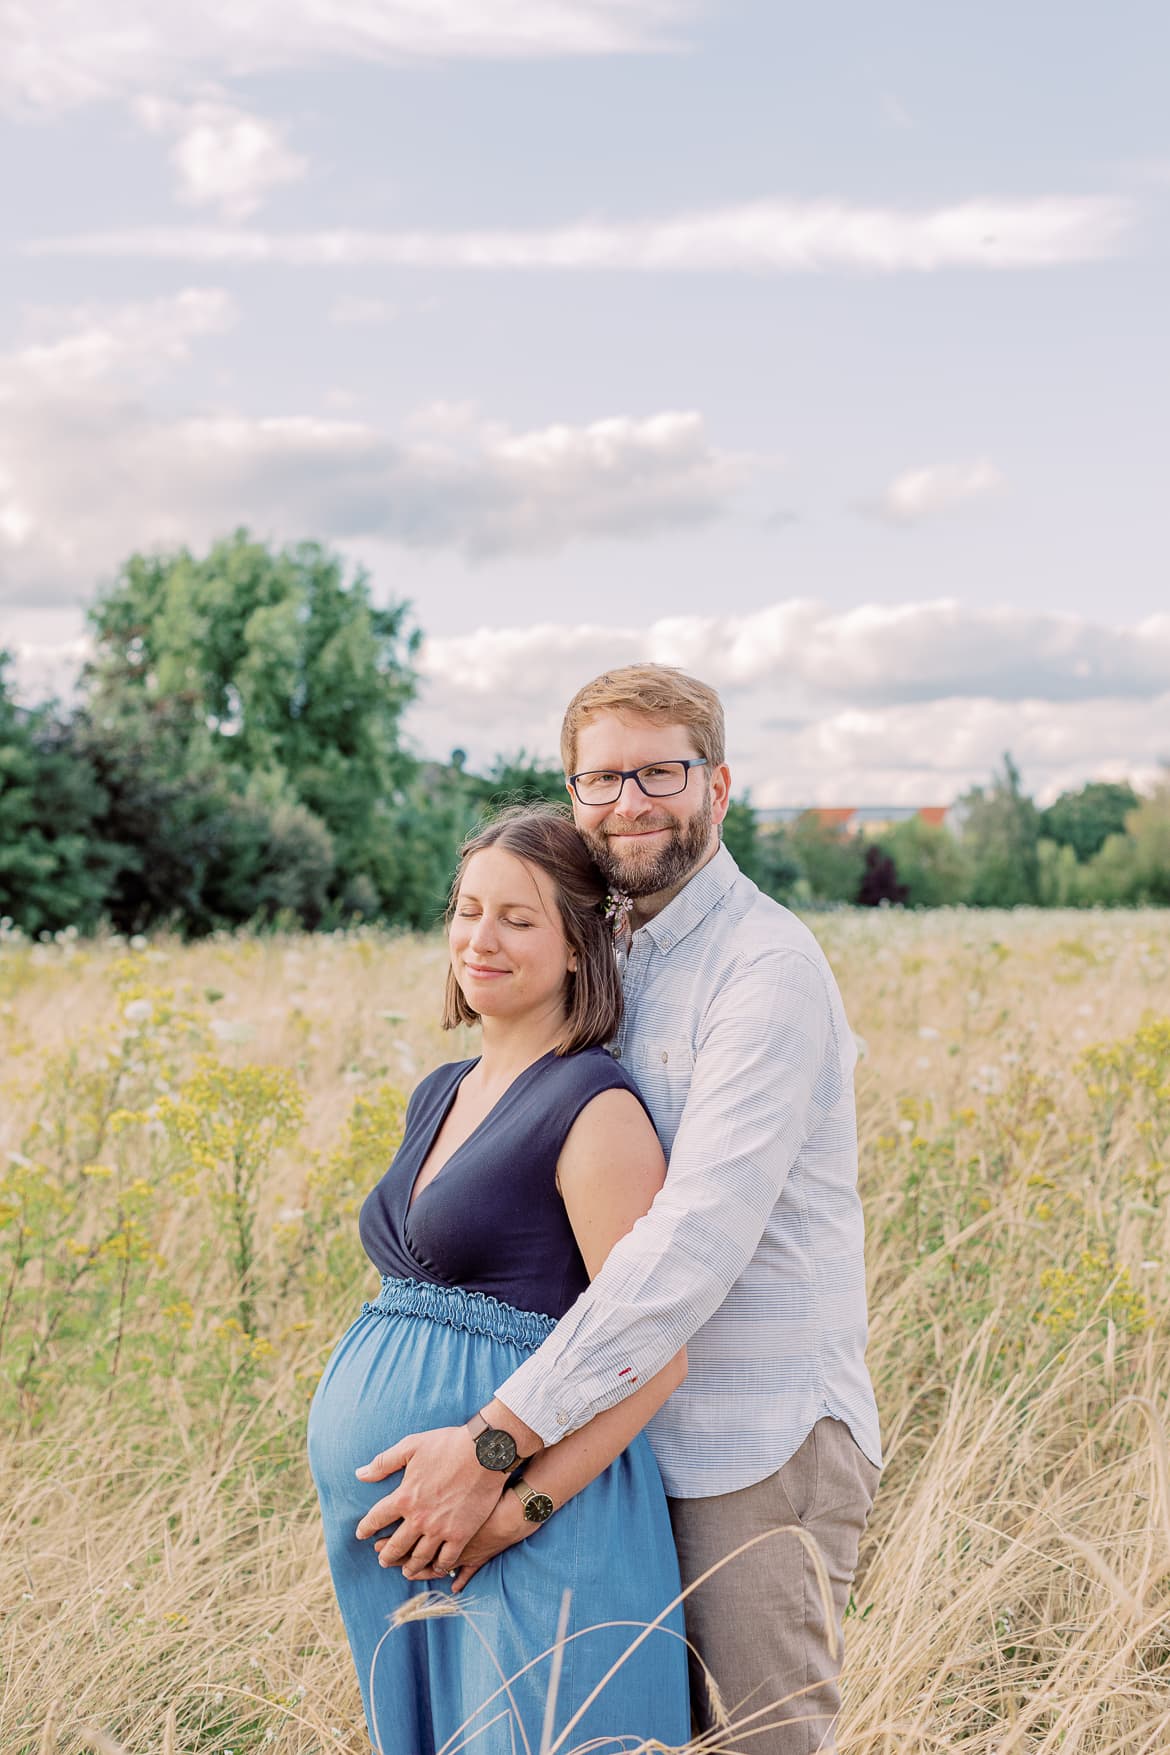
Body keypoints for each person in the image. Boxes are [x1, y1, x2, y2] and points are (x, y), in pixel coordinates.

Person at [364, 664, 882, 1755]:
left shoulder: (765, 971)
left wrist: (496, 1447)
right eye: (600, 779)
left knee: (754, 1743)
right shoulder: (609, 954)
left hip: (746, 1448)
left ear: (718, 786)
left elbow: (689, 1246)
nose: (628, 803)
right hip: (607, 1456)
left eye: (660, 773)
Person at [307, 807, 691, 1755]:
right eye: (468, 910)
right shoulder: (440, 1090)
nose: (481, 938)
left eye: (518, 919)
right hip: (415, 1547)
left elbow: (653, 1355)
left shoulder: (595, 1107)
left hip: (527, 1539)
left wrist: (513, 1511)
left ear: (579, 947)